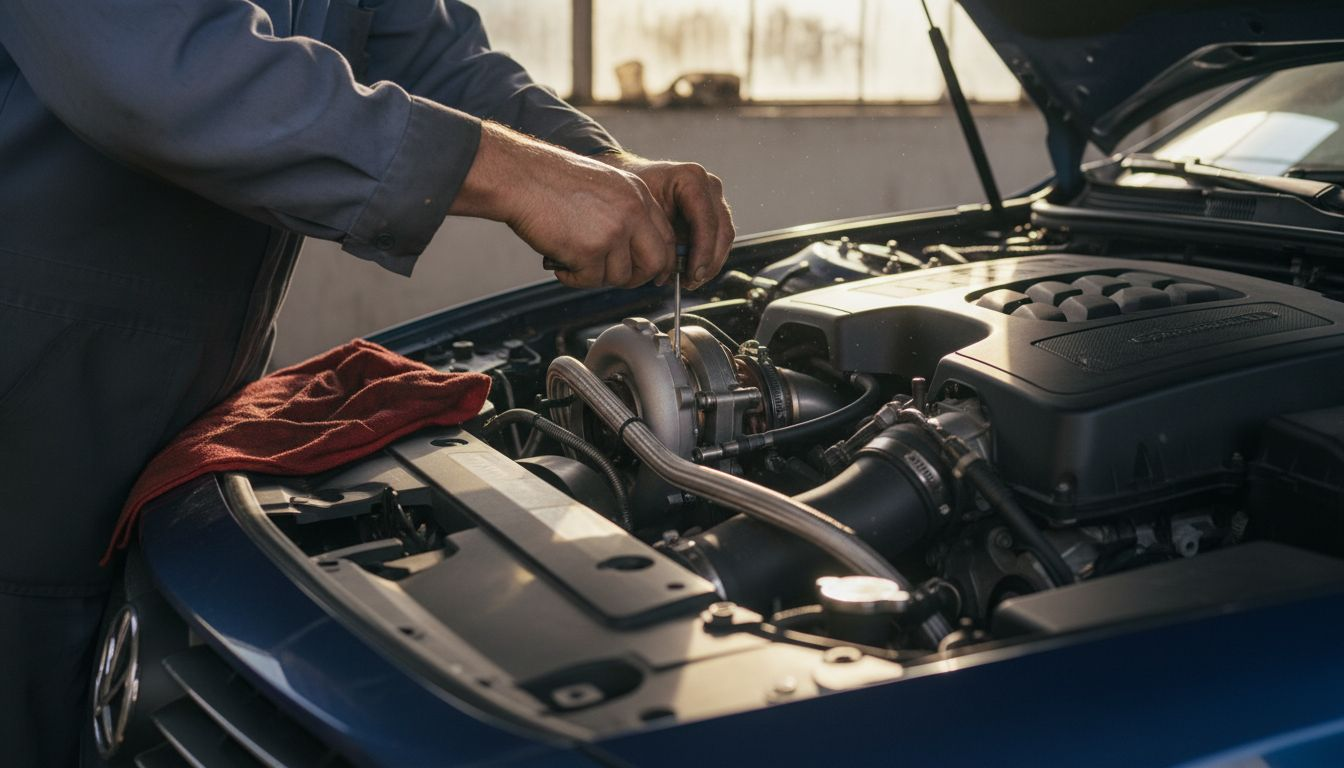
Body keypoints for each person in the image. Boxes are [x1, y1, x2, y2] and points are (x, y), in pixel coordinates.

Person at [0, 1, 734, 764]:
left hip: (168, 405)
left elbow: (425, 54)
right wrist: (521, 176)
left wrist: (597, 165)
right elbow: (154, 68)